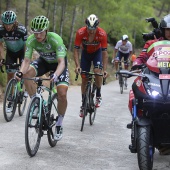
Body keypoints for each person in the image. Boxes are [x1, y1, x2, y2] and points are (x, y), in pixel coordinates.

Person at [15, 15, 69, 141]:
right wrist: (20, 73)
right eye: (35, 32)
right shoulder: (31, 40)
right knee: (27, 74)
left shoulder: (55, 39)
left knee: (62, 94)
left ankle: (59, 123)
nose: (37, 35)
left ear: (46, 30)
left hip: (59, 64)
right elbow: (27, 60)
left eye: (40, 32)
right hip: (44, 62)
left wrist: (55, 74)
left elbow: (61, 62)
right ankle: (35, 102)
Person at [132, 14, 170, 155]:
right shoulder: (152, 44)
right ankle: (137, 123)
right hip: (155, 79)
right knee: (135, 91)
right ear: (162, 30)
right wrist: (136, 64)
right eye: (168, 30)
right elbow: (141, 58)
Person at [73, 14, 108, 117]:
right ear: (86, 26)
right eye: (89, 28)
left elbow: (105, 53)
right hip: (86, 54)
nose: (91, 31)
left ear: (97, 26)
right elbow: (76, 50)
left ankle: (98, 95)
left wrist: (104, 69)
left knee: (97, 72)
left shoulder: (102, 34)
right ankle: (83, 104)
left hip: (97, 53)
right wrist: (77, 65)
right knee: (84, 78)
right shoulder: (80, 32)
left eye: (93, 29)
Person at [0, 10, 27, 82]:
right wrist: (2, 58)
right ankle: (9, 93)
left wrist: (25, 58)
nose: (8, 26)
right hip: (10, 53)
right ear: (3, 23)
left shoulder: (21, 30)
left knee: (23, 74)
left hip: (22, 52)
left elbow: (26, 45)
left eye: (10, 24)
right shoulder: (1, 30)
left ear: (14, 22)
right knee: (10, 75)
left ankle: (24, 91)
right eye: (6, 24)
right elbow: (0, 44)